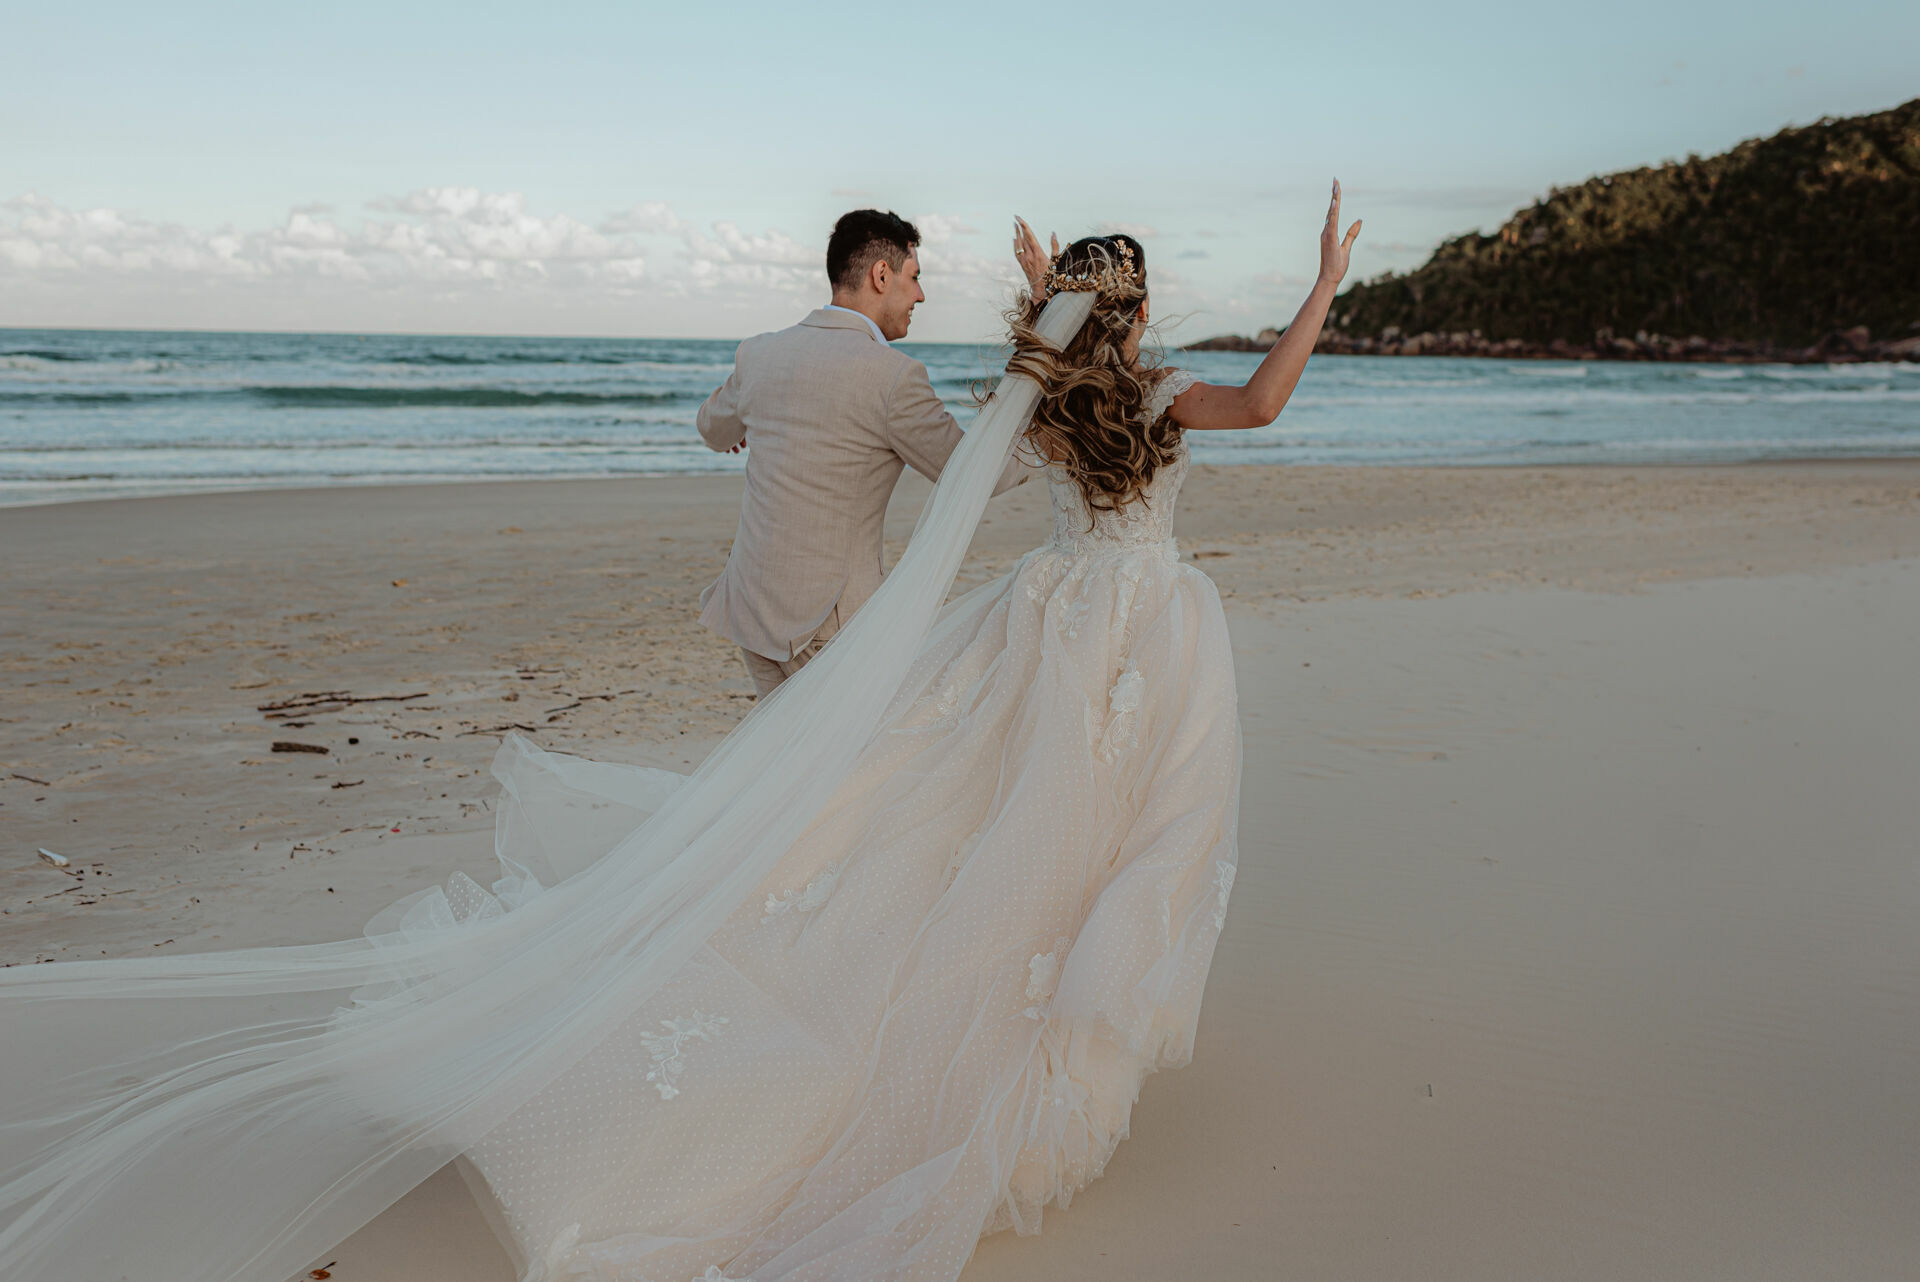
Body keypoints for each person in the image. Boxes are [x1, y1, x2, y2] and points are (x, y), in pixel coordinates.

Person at [0, 186, 1359, 1282]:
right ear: (1137, 309)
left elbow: (860, 432)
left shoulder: (1046, 400)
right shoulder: (1152, 400)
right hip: (1134, 621)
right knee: (1095, 818)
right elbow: (1260, 403)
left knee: (964, 800)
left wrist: (1036, 332)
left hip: (1030, 614)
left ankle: (839, 921)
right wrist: (1316, 291)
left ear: (1068, 305)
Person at [696, 209, 1033, 697]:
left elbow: (711, 427)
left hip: (753, 605)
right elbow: (976, 473)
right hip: (829, 625)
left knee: (783, 765)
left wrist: (748, 423)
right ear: (881, 275)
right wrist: (1049, 441)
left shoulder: (760, 353)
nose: (920, 295)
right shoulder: (893, 377)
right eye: (914, 277)